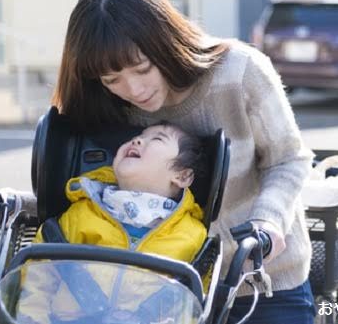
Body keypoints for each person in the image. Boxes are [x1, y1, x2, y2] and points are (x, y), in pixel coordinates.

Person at [0, 0, 316, 323]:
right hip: (162, 297)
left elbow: (288, 159)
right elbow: (105, 198)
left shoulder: (240, 72)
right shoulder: (114, 108)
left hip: (262, 281)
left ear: (164, 41)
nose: (134, 90)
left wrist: (268, 224)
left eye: (142, 68)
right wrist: (12, 204)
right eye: (112, 79)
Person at [17, 123, 208, 324]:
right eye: (139, 135)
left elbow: (195, 304)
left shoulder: (192, 237)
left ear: (182, 176)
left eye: (157, 139)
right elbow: (39, 276)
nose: (138, 140)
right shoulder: (82, 214)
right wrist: (32, 319)